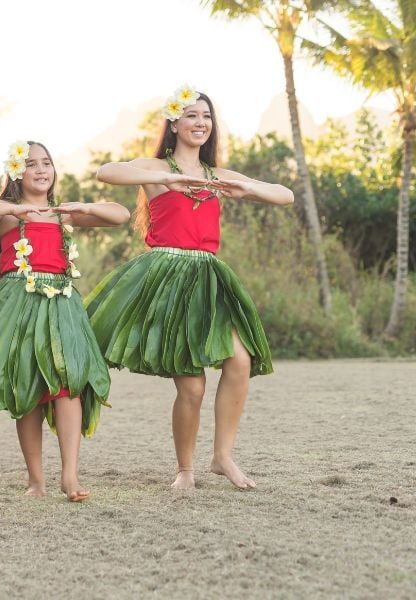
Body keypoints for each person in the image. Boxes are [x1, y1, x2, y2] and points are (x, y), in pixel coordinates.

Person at [86, 86, 293, 490]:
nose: (201, 123)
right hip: (168, 280)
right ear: (175, 123)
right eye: (193, 116)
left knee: (239, 361)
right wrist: (164, 177)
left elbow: (284, 195)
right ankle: (185, 469)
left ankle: (222, 457)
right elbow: (107, 171)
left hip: (208, 279)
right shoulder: (156, 169)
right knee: (193, 385)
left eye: (207, 117)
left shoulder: (217, 175)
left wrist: (247, 189)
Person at [0, 140, 129, 501]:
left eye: (47, 163)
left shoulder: (63, 214)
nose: (42, 170)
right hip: (18, 304)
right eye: (31, 164)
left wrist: (83, 206)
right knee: (27, 388)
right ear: (17, 172)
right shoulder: (6, 215)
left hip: (62, 305)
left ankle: (70, 476)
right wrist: (16, 209)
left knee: (69, 384)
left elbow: (120, 214)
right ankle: (36, 481)